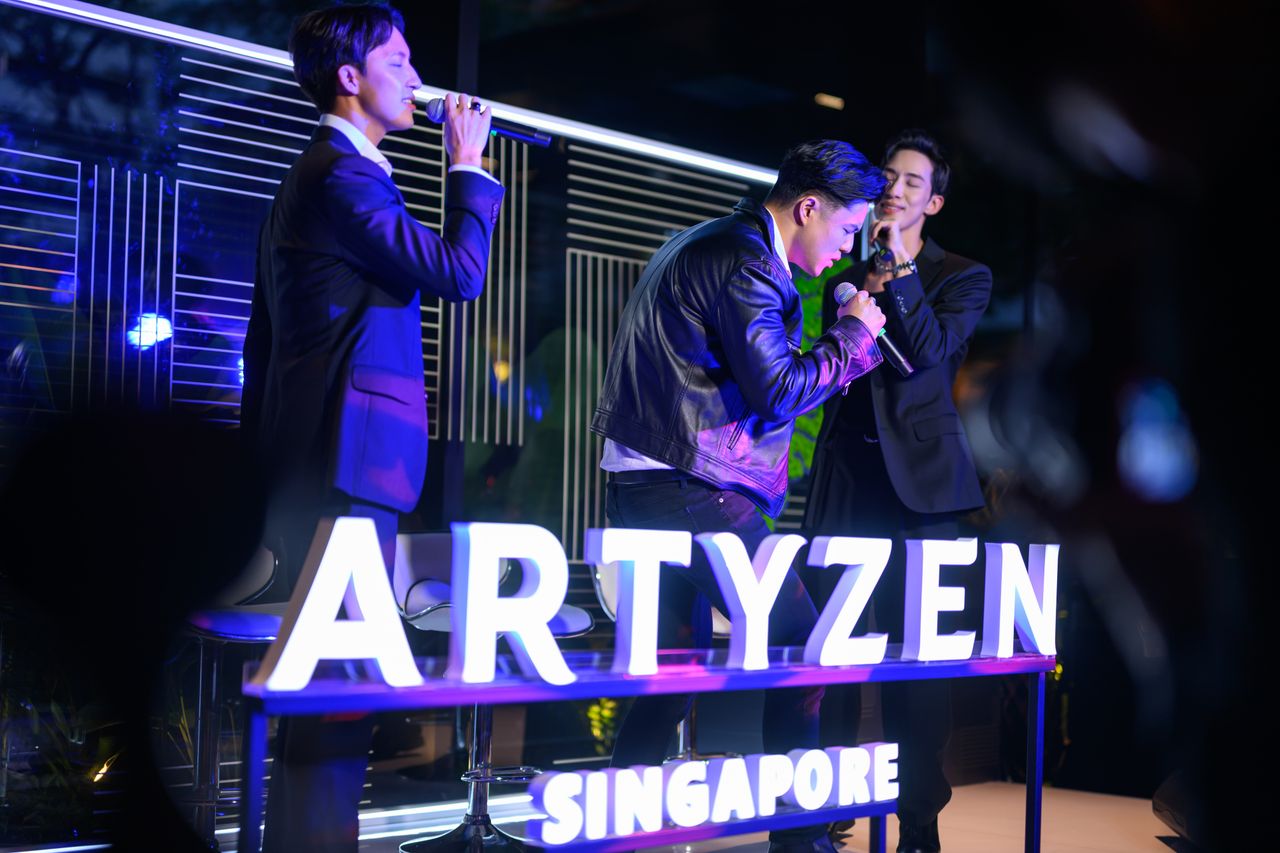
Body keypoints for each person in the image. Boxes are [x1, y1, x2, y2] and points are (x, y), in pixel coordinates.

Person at [239, 4, 502, 850]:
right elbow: (460, 272)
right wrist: (468, 167)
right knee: (340, 686)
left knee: (332, 684)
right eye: (399, 61)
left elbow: (262, 344)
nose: (417, 79)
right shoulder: (342, 176)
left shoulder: (326, 175)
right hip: (344, 464)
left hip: (327, 460)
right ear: (350, 77)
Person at [591, 139, 886, 853]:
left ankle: (613, 830)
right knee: (803, 644)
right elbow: (779, 389)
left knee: (674, 670)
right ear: (808, 208)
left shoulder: (712, 241)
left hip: (650, 482)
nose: (848, 251)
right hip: (689, 484)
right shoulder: (747, 261)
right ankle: (799, 840)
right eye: (848, 228)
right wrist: (853, 335)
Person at [804, 130, 992, 853]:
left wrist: (900, 269)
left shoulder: (964, 276)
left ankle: (919, 820)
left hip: (924, 496)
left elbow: (929, 354)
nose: (894, 188)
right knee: (833, 657)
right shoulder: (841, 267)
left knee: (920, 669)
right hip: (849, 483)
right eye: (888, 175)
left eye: (912, 181)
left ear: (933, 202)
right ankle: (829, 807)